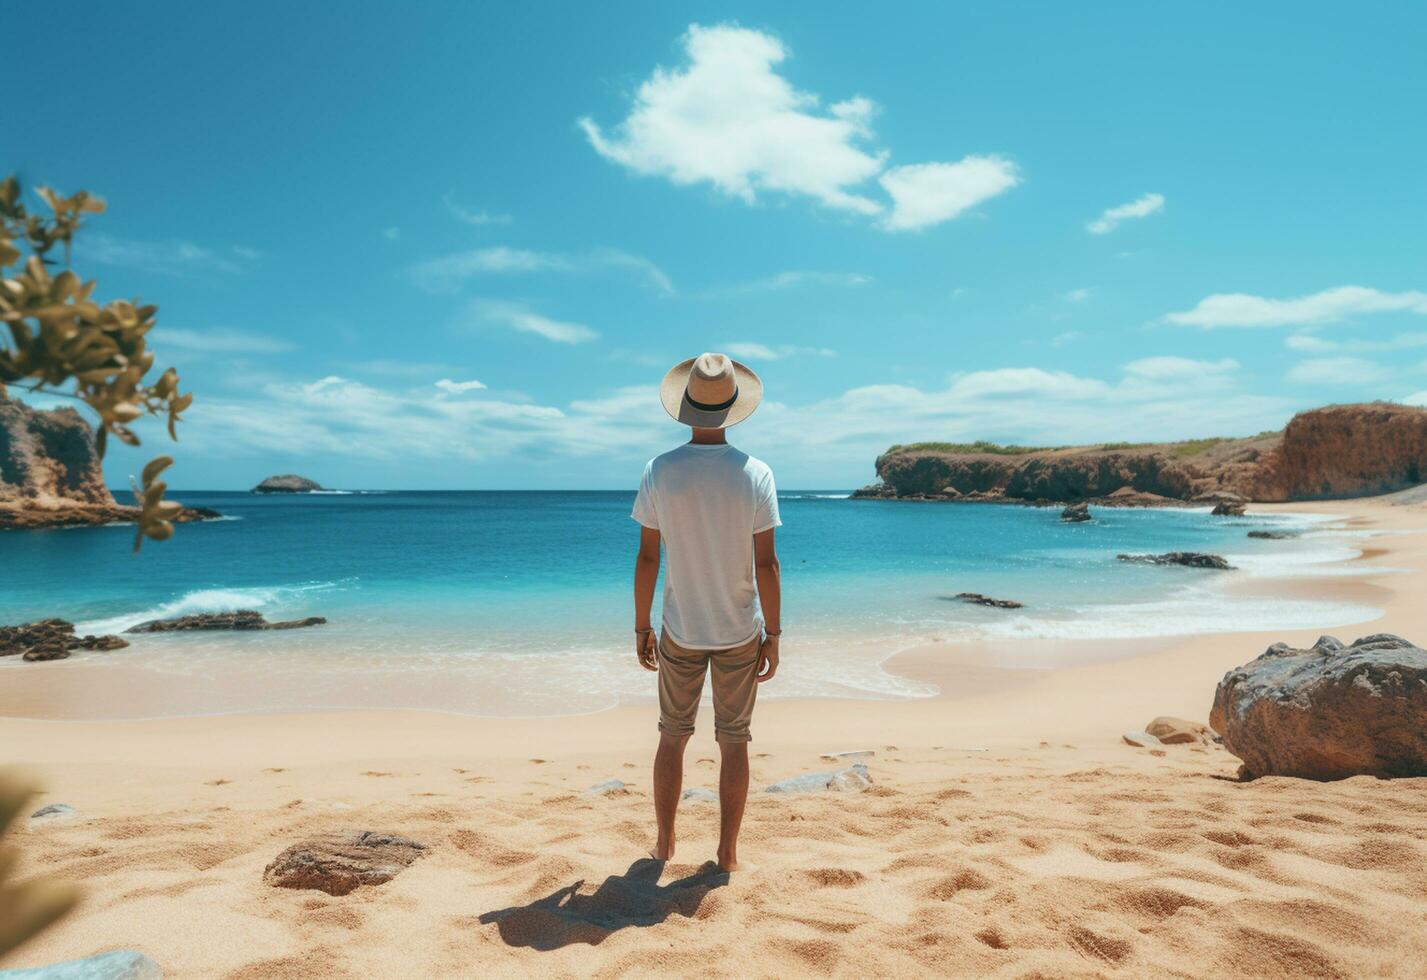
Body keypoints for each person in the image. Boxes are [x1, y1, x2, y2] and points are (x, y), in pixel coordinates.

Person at [631, 352, 781, 873]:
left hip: (682, 628)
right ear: (734, 406)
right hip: (740, 628)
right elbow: (768, 564)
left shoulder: (660, 471)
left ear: (687, 405)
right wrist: (775, 633)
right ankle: (727, 853)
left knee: (672, 736)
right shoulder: (756, 474)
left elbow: (649, 556)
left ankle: (666, 843)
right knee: (734, 742)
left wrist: (640, 625)